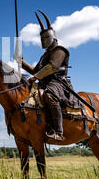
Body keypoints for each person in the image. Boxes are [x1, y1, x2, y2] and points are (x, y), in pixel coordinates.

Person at [21, 10, 79, 141]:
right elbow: (35, 71)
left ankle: (58, 131)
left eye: (46, 37)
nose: (44, 40)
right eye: (42, 38)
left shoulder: (60, 50)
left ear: (52, 37)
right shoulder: (44, 56)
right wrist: (21, 62)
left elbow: (52, 66)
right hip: (44, 82)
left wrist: (36, 77)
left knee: (49, 95)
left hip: (58, 82)